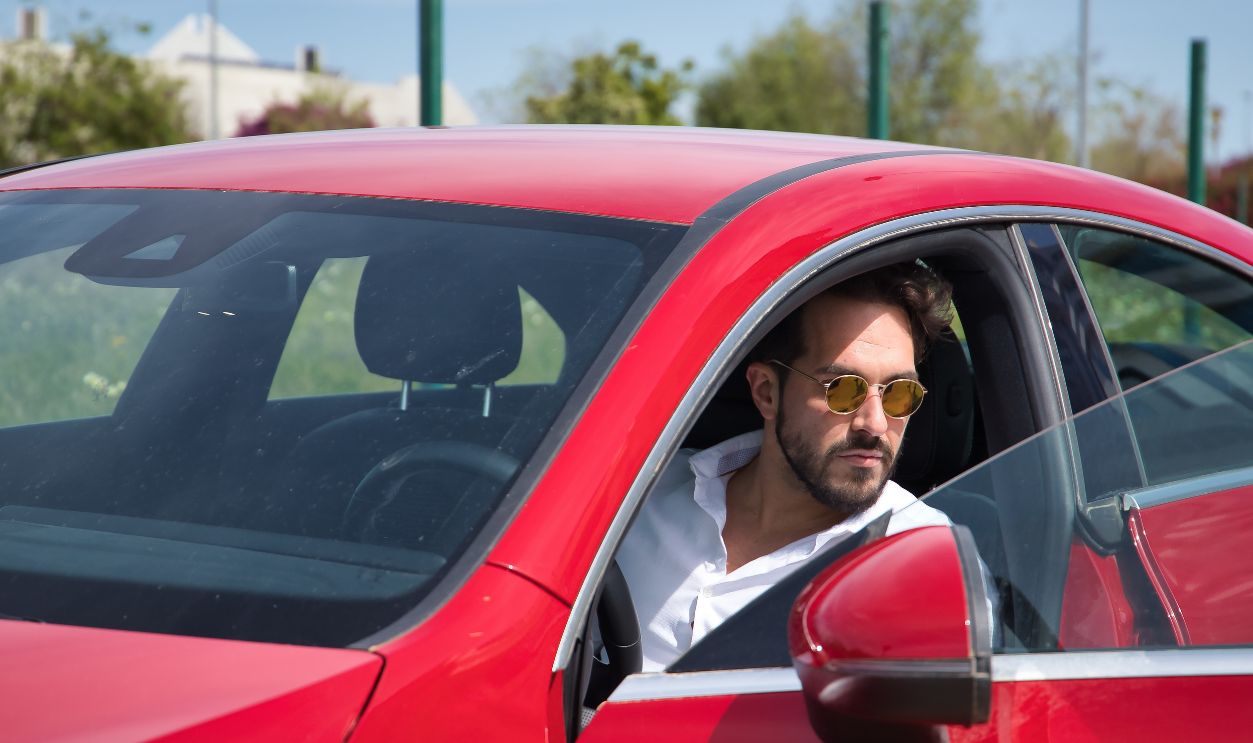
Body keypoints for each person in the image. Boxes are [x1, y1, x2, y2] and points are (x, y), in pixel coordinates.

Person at [617, 262, 955, 671]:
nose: (876, 424)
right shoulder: (634, 496)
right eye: (843, 389)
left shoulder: (931, 568)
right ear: (766, 392)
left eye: (900, 393)